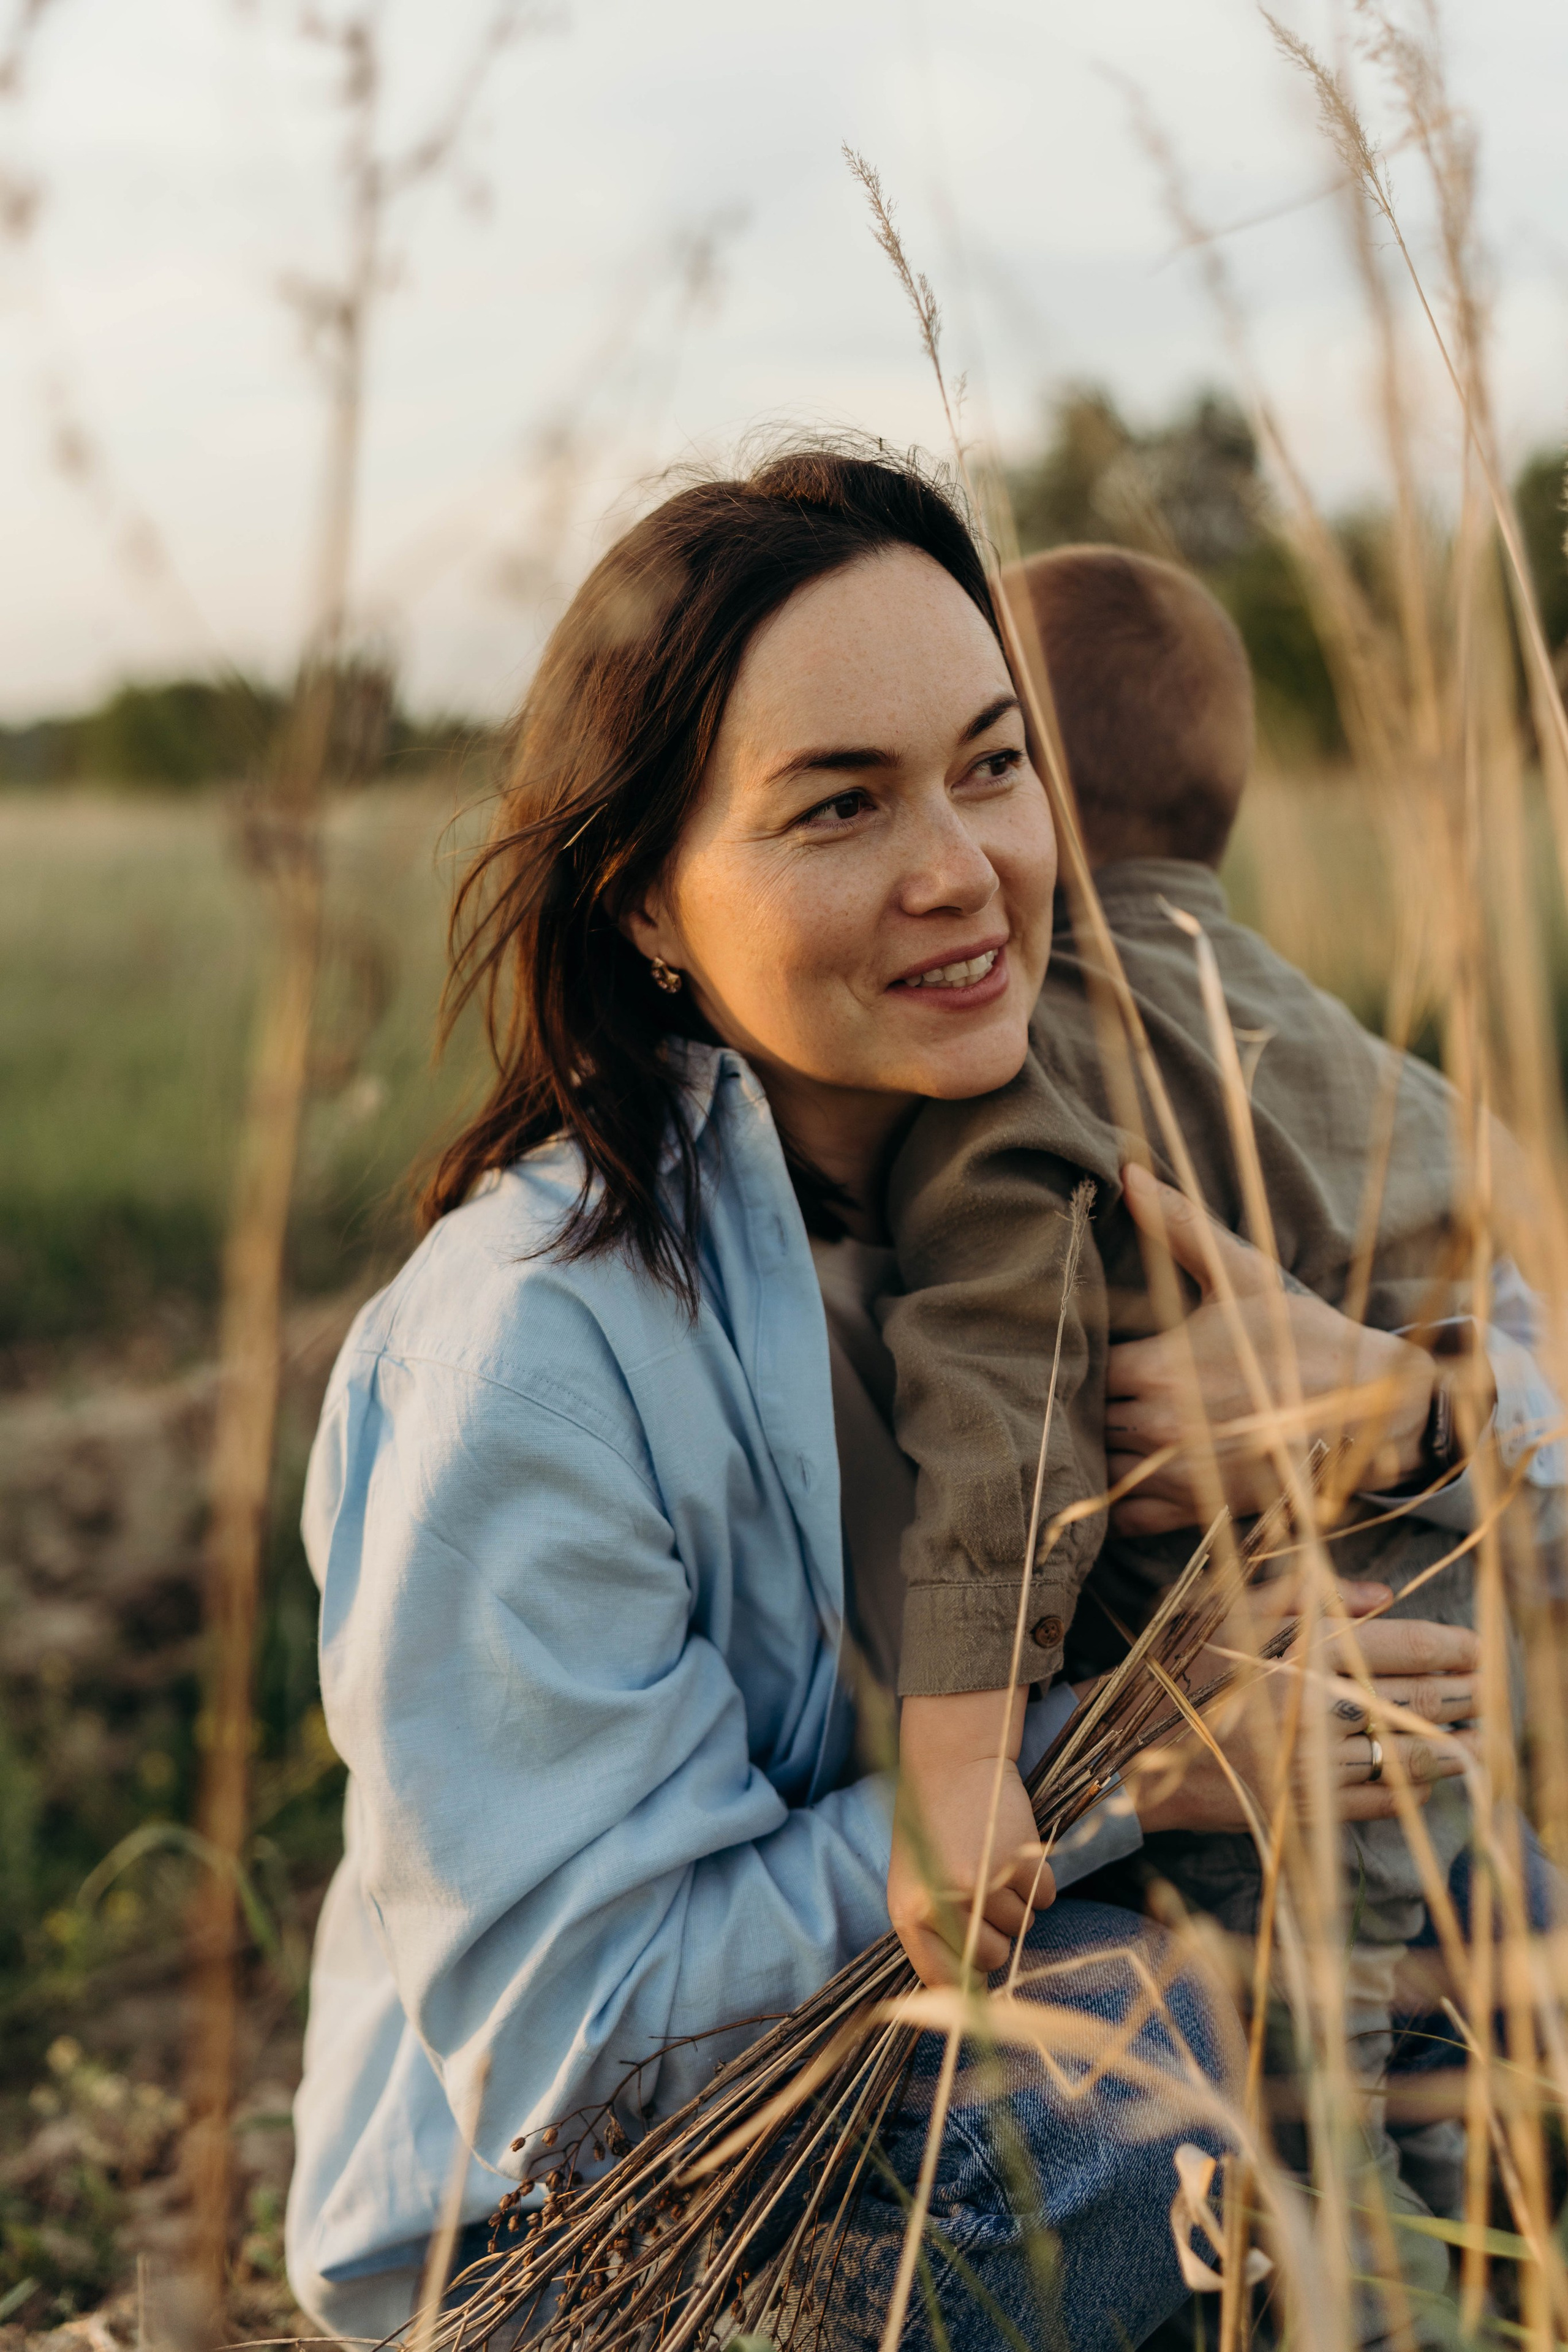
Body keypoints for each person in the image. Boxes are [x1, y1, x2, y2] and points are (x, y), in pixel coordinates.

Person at [284, 454, 1482, 2352]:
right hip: (593, 2243)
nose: (963, 871)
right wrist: (1123, 1765)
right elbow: (579, 2044)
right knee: (1140, 2076)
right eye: (839, 806)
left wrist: (1412, 1418)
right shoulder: (525, 1362)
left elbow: (1512, 1338)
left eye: (993, 767)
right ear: (647, 900)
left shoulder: (1076, 1117)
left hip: (1031, 1983)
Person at [876, 544, 1564, 2344]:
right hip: (1454, 1737)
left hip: (1255, 1789)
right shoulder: (1373, 1059)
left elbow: (994, 1428)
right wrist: (1447, 1403)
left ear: (1022, 785)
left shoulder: (1037, 1071)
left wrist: (958, 1754)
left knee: (1311, 2162)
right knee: (1459, 2108)